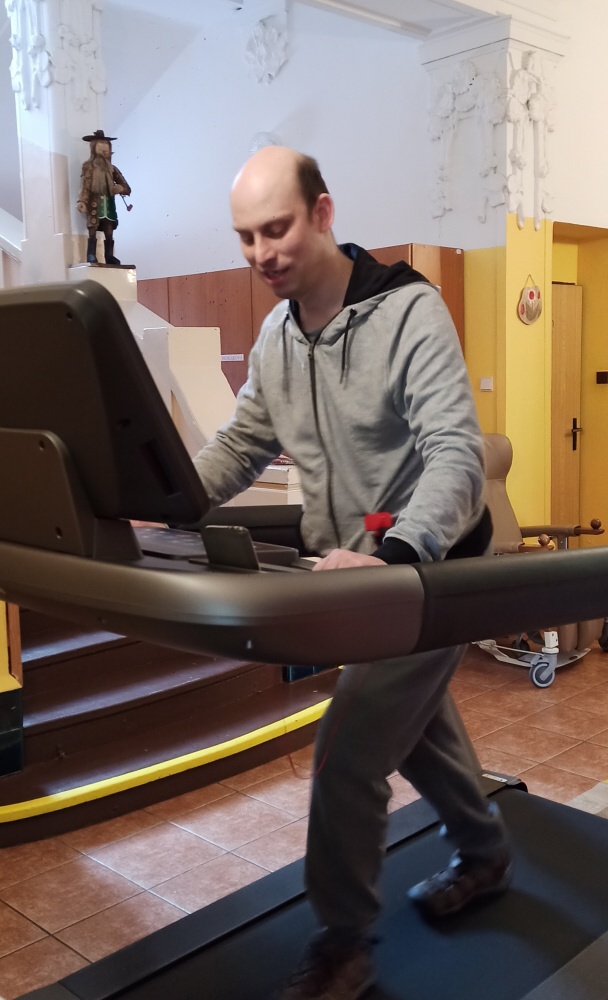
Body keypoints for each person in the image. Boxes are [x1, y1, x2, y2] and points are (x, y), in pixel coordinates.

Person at [193, 146, 512, 1000]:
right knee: (414, 723)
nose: (261, 253)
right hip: (353, 576)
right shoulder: (277, 335)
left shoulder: (409, 311)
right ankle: (485, 852)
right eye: (245, 237)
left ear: (324, 213)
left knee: (347, 751)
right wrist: (160, 495)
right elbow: (240, 443)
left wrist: (396, 556)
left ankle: (344, 945)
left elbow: (454, 452)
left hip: (431, 570)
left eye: (277, 228)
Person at [77, 129, 131, 265]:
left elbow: (126, 187)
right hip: (95, 203)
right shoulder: (88, 167)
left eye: (106, 144)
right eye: (100, 144)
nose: (104, 148)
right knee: (93, 229)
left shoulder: (112, 169)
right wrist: (82, 201)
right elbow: (85, 186)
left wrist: (121, 188)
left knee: (109, 231)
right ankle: (91, 254)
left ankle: (109, 256)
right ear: (94, 147)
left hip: (109, 204)